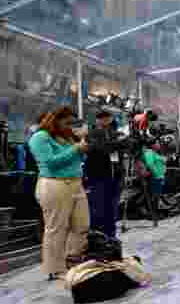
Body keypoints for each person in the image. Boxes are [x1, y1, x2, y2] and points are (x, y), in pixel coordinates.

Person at [28, 107, 90, 281]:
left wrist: (80, 147)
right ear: (55, 120)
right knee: (56, 228)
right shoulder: (40, 137)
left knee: (81, 225)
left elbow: (76, 160)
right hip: (54, 184)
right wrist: (76, 149)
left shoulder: (68, 137)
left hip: (76, 184)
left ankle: (72, 260)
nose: (70, 126)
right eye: (67, 122)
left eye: (72, 122)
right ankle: (55, 269)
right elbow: (50, 163)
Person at [84, 110, 126, 238]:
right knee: (97, 210)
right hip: (98, 177)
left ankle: (110, 237)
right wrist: (119, 143)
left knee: (112, 210)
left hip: (115, 177)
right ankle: (98, 238)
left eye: (107, 117)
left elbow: (126, 146)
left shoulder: (116, 133)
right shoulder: (92, 134)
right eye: (101, 118)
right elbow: (101, 148)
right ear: (97, 120)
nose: (105, 120)